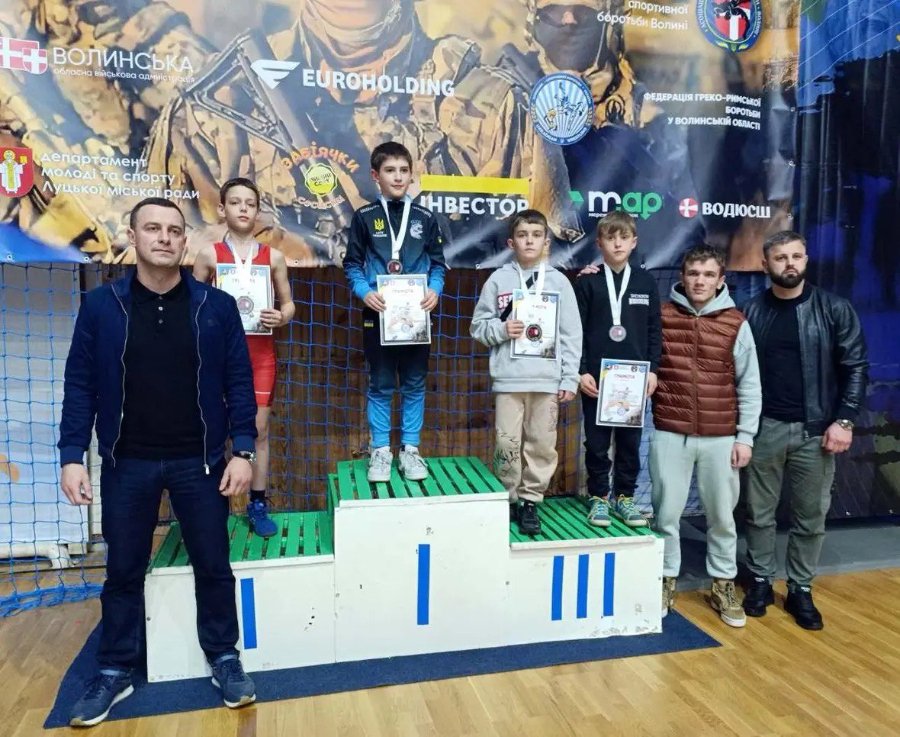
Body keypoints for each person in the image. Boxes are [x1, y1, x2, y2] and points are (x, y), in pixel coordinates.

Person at [58, 197, 258, 726]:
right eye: (153, 228)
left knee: (213, 565)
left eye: (173, 230)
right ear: (133, 236)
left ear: (184, 240)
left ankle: (224, 656)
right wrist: (71, 456)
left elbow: (240, 382)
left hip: (201, 462)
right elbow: (79, 384)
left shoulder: (216, 307)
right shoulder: (101, 306)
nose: (164, 238)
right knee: (123, 570)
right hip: (128, 463)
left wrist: (243, 450)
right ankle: (115, 669)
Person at [741, 231, 868, 630]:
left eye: (796, 256)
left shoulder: (834, 309)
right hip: (764, 429)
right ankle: (760, 580)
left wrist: (844, 420)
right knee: (758, 513)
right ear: (765, 264)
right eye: (780, 258)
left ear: (806, 260)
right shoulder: (750, 312)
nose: (789, 264)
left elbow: (856, 367)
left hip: (817, 432)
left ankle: (800, 588)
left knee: (811, 516)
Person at [649, 244, 761, 626]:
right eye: (694, 274)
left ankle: (723, 584)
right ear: (682, 277)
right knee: (666, 514)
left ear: (720, 280)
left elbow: (750, 384)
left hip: (721, 437)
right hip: (670, 432)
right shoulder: (661, 316)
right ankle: (665, 579)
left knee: (722, 517)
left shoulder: (736, 323)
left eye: (708, 274)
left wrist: (745, 437)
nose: (700, 281)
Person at [193, 177, 296, 538]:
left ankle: (258, 502)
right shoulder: (208, 255)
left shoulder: (274, 257)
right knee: (212, 430)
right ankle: (212, 505)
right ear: (222, 209)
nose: (243, 209)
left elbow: (289, 305)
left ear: (258, 211)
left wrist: (281, 316)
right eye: (236, 203)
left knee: (258, 430)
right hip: (217, 358)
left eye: (250, 204)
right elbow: (193, 306)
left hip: (260, 355)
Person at [470, 209, 582, 535]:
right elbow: (478, 327)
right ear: (511, 243)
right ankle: (507, 497)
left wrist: (570, 377)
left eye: (536, 235)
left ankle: (531, 500)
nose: (529, 241)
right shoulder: (498, 280)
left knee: (542, 444)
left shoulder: (560, 282)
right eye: (522, 235)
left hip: (547, 380)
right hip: (509, 379)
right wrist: (502, 329)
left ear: (547, 242)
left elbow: (571, 335)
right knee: (506, 443)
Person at [343, 141, 446, 482]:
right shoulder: (364, 217)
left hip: (416, 315)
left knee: (415, 382)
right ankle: (380, 451)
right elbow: (352, 264)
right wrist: (365, 292)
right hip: (379, 313)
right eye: (390, 170)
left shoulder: (426, 218)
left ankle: (411, 450)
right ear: (376, 176)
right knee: (381, 383)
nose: (398, 177)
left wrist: (435, 290)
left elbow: (439, 264)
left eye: (403, 170)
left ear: (411, 174)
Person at [574, 210, 661, 526]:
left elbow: (654, 330)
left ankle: (625, 497)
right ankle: (598, 497)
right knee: (596, 443)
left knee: (630, 443)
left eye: (624, 237)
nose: (618, 244)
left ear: (634, 242)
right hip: (596, 379)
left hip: (633, 380)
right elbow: (576, 331)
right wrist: (581, 370)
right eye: (610, 238)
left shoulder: (646, 282)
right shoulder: (587, 281)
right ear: (599, 243)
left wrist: (653, 370)